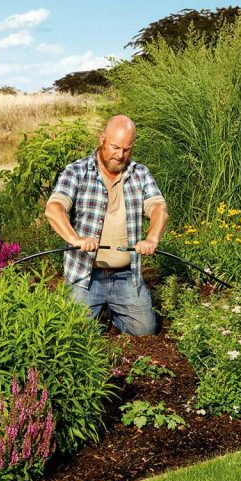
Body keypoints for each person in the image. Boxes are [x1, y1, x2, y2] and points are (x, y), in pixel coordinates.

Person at [45, 115, 168, 335]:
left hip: (125, 275)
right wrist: (75, 239)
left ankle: (111, 312)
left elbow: (159, 208)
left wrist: (152, 239)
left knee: (146, 330)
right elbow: (54, 208)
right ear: (102, 139)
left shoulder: (140, 173)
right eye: (115, 147)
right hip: (86, 274)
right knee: (73, 332)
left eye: (127, 149)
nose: (120, 155)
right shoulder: (77, 171)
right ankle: (100, 311)